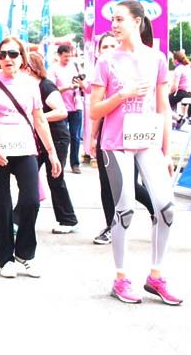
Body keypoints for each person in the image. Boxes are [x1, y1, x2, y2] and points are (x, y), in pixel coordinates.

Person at [89, 0, 180, 305]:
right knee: (125, 208)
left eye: (119, 19)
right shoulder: (106, 62)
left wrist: (167, 151)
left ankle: (156, 276)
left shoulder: (157, 58)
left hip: (148, 141)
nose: (114, 25)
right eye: (112, 20)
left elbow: (163, 106)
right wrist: (122, 95)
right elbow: (95, 111)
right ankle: (120, 276)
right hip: (116, 143)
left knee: (166, 207)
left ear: (138, 21)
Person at [0, 37, 60, 278]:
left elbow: (40, 119)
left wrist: (52, 153)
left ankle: (25, 253)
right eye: (2, 55)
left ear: (22, 57)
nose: (7, 59)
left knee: (31, 200)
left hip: (25, 148)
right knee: (1, 205)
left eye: (12, 54)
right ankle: (6, 259)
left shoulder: (31, 85)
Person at [89, 33, 155, 246]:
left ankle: (156, 208)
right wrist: (92, 137)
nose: (108, 49)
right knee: (106, 184)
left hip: (133, 134)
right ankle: (111, 226)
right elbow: (97, 110)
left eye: (112, 45)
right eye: (104, 46)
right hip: (107, 136)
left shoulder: (134, 69)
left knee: (129, 185)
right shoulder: (102, 71)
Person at [25, 51, 77, 233]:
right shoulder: (26, 87)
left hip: (57, 139)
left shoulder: (46, 86)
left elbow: (61, 111)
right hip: (37, 139)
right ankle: (20, 217)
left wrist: (38, 118)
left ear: (30, 68)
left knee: (55, 177)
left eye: (23, 66)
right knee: (27, 177)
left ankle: (67, 220)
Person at [52, 44, 84, 173]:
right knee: (62, 137)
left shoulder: (76, 66)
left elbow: (83, 83)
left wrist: (79, 84)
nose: (68, 59)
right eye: (65, 57)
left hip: (76, 106)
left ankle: (75, 163)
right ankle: (61, 161)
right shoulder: (54, 70)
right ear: (59, 56)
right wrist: (68, 87)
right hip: (61, 108)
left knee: (75, 137)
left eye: (69, 56)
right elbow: (52, 89)